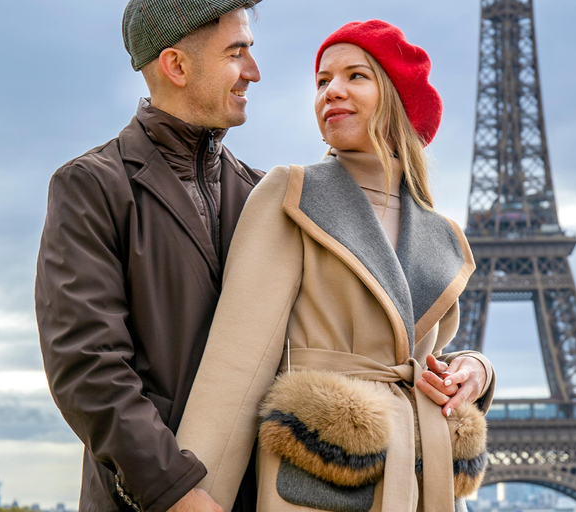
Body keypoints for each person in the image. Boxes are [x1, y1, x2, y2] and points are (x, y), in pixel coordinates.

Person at [176, 20, 497, 512]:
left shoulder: (443, 233)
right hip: (320, 485)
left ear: (395, 96)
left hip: (421, 481)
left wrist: (474, 369)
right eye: (323, 81)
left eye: (356, 76)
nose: (333, 91)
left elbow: (413, 359)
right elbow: (237, 365)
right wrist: (193, 495)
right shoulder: (292, 193)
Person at [35, 1, 264, 511]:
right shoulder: (91, 186)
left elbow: (343, 332)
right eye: (237, 53)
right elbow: (87, 366)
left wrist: (472, 367)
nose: (254, 71)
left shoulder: (268, 195)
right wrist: (176, 492)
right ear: (176, 66)